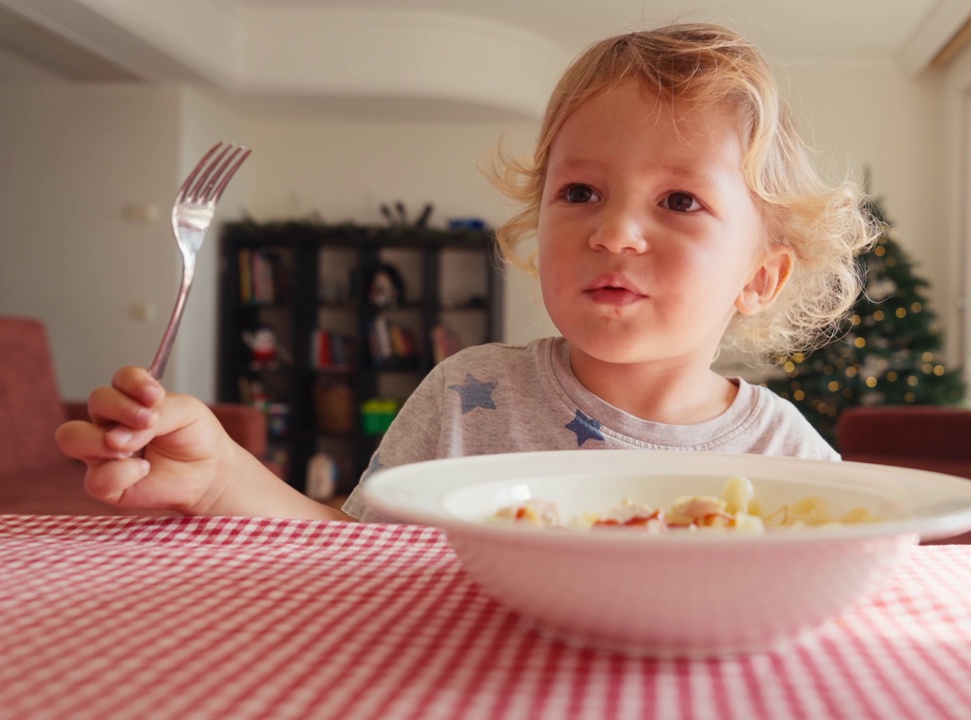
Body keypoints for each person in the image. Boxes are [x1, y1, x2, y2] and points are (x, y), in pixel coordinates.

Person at [55, 22, 879, 521]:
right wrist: (221, 479)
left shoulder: (785, 456)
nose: (615, 232)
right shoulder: (469, 394)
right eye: (581, 191)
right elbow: (357, 556)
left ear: (760, 277)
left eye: (681, 202)